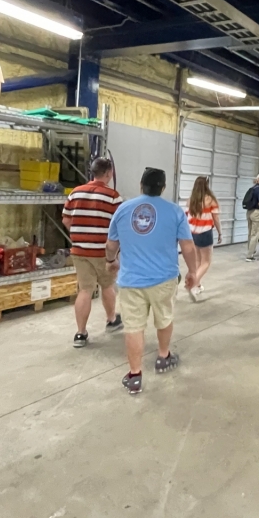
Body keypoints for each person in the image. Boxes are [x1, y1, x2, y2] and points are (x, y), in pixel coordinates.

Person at [105, 167, 198, 395]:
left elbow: (111, 245)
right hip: (163, 279)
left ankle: (135, 375)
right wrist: (192, 272)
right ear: (163, 188)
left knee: (133, 327)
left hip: (130, 280)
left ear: (141, 185)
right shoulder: (175, 212)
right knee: (164, 318)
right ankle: (163, 356)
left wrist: (111, 261)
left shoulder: (123, 209)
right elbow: (188, 246)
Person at [62, 157, 124, 348]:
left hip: (79, 250)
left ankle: (80, 334)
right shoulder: (113, 196)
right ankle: (111, 319)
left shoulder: (75, 193)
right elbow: (120, 226)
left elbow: (66, 220)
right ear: (108, 173)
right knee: (107, 286)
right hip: (102, 252)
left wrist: (80, 236)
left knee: (85, 290)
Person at [185, 175, 222, 301]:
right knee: (206, 262)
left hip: (192, 234)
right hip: (205, 233)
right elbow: (216, 219)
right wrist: (220, 232)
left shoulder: (190, 200)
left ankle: (198, 285)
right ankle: (193, 284)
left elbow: (186, 218)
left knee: (197, 261)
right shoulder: (210, 200)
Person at [244, 173, 259, 261]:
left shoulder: (252, 188)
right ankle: (250, 255)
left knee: (250, 233)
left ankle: (250, 250)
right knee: (255, 234)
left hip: (249, 212)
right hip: (257, 213)